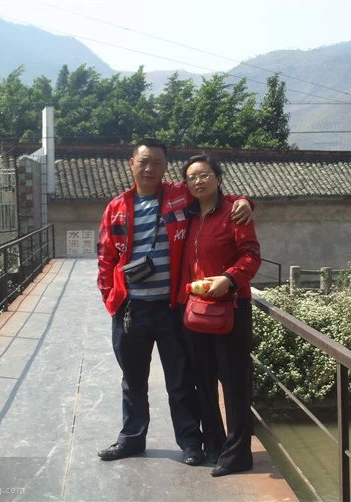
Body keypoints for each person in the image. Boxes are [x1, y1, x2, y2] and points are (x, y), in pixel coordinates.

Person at [96, 139, 253, 465]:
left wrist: (244, 201)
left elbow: (213, 194)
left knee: (180, 381)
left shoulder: (180, 196)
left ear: (166, 167)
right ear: (132, 163)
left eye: (157, 162)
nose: (149, 168)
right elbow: (105, 257)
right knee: (133, 380)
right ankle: (131, 438)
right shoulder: (116, 207)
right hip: (131, 309)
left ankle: (191, 443)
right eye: (144, 161)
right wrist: (112, 300)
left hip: (171, 308)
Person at [178, 154, 261, 477]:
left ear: (218, 177)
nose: (198, 181)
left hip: (231, 307)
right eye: (192, 177)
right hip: (196, 309)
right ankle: (214, 443)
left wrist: (229, 278)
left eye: (204, 175)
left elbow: (251, 255)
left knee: (235, 381)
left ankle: (238, 454)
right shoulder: (187, 214)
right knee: (203, 379)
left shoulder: (234, 212)